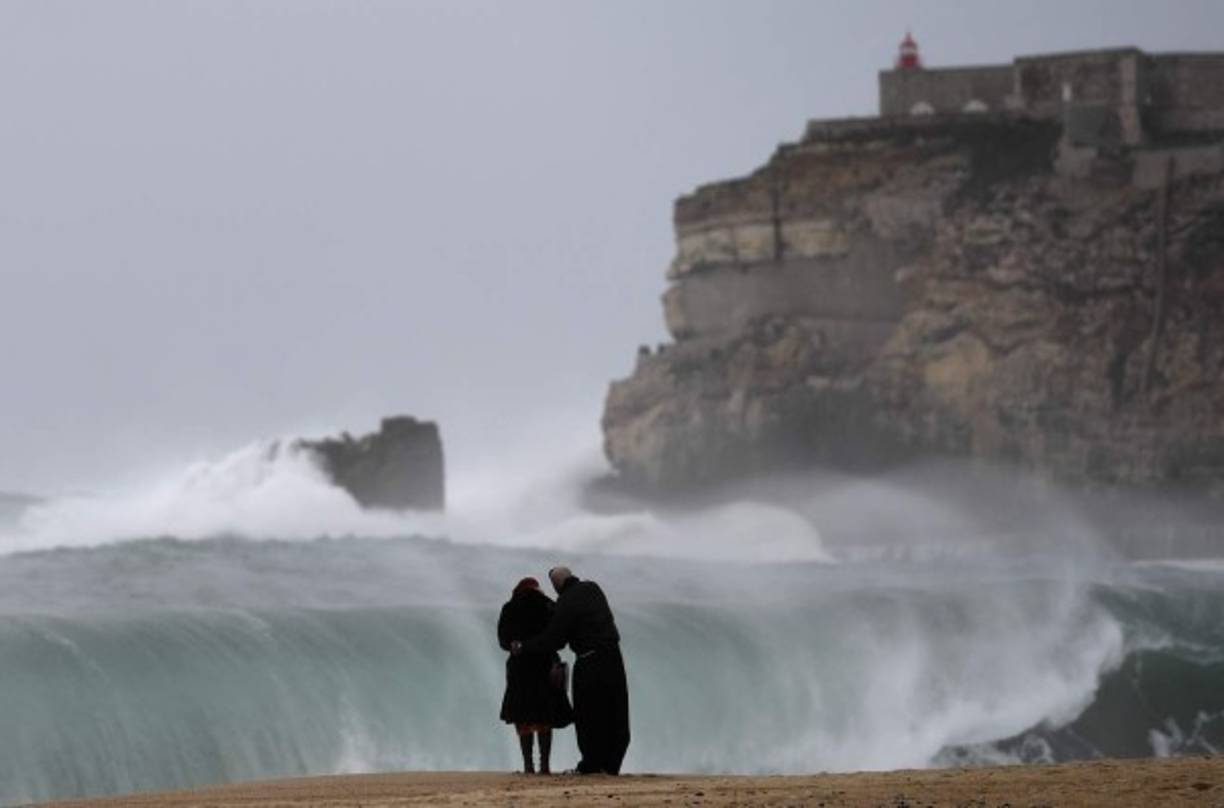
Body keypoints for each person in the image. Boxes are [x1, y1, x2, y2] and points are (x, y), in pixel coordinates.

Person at [513, 566, 630, 775]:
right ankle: (612, 765)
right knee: (616, 711)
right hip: (614, 657)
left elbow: (554, 640)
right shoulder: (593, 588)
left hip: (589, 662)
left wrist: (525, 646)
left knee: (588, 715)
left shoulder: (565, 602)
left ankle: (591, 765)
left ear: (556, 585)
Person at [497, 577, 573, 774]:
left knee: (522, 716)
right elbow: (559, 638)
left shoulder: (509, 608)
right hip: (544, 665)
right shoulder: (549, 605)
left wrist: (517, 645)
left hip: (519, 667)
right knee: (544, 716)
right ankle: (545, 766)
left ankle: (528, 765)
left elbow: (503, 641)